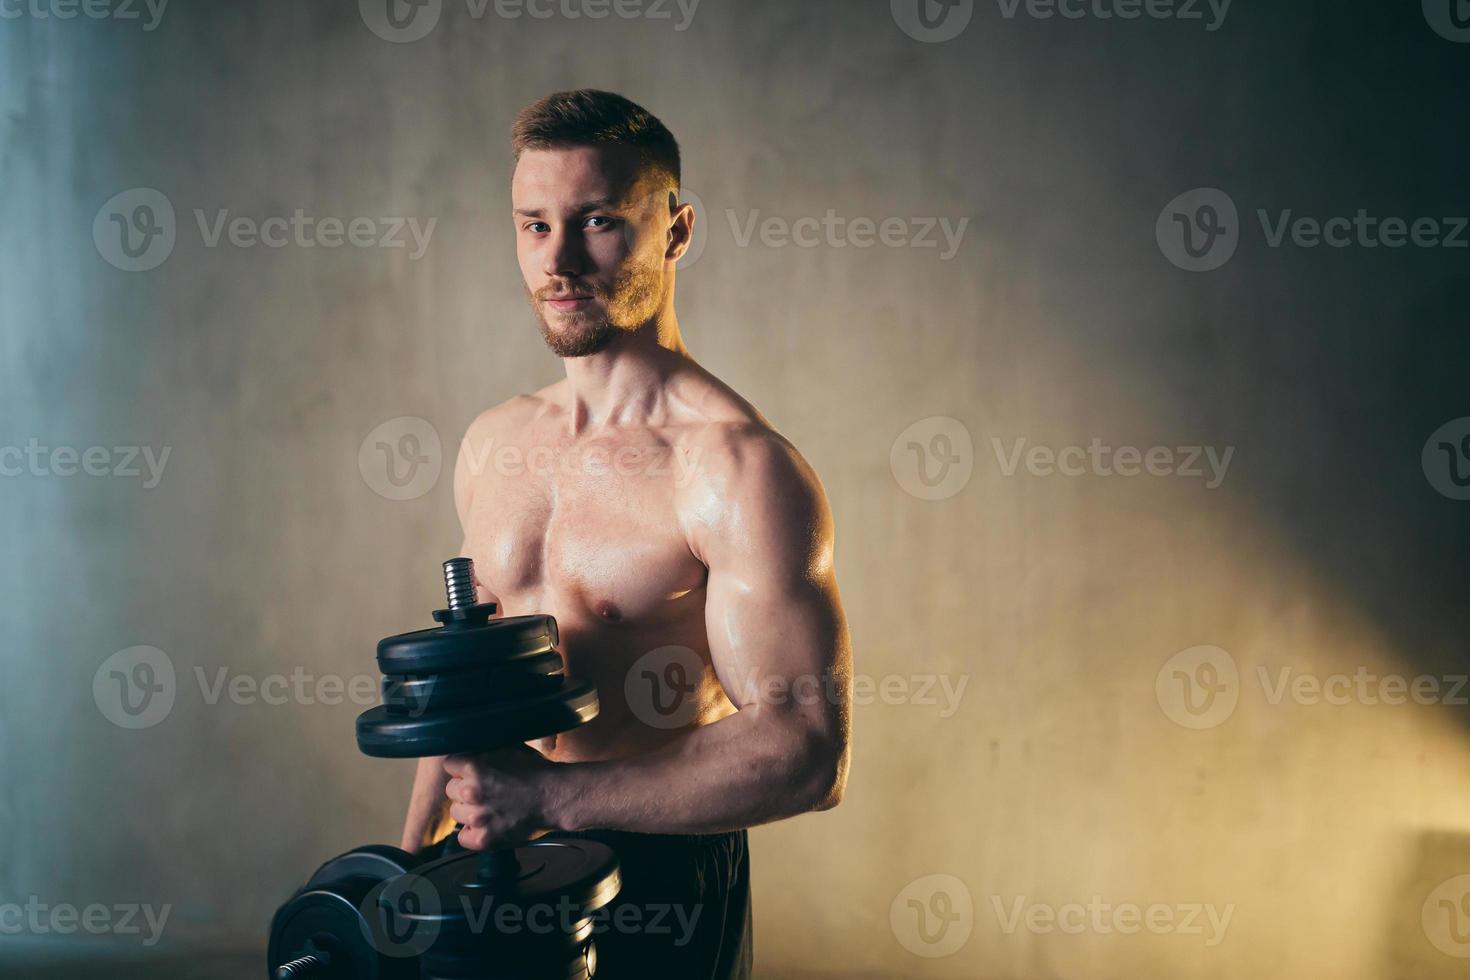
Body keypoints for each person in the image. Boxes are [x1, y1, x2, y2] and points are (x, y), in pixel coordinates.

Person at [398, 89, 852, 979]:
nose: (558, 259)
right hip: (498, 865)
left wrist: (546, 796)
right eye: (534, 226)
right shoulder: (495, 442)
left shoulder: (737, 467)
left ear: (676, 233)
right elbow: (468, 687)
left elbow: (804, 750)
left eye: (597, 221)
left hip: (658, 879)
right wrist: (406, 866)